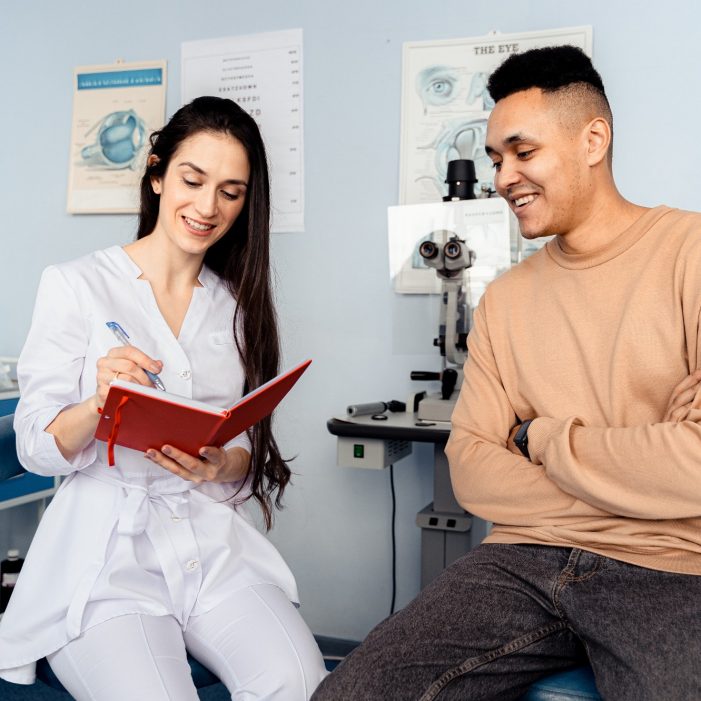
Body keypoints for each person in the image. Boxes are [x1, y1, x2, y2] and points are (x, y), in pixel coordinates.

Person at [312, 46, 701, 700]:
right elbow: (469, 464)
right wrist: (640, 486)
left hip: (669, 568)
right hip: (518, 563)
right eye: (495, 159)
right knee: (352, 690)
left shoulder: (687, 255)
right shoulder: (505, 299)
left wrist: (542, 440)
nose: (502, 177)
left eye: (522, 152)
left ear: (592, 140)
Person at [0, 96, 327, 700]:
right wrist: (99, 404)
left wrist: (221, 460)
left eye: (230, 191)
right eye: (192, 179)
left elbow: (247, 449)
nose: (207, 207)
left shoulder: (236, 304)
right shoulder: (76, 284)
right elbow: (32, 447)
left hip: (208, 541)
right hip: (104, 560)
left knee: (300, 681)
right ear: (155, 174)